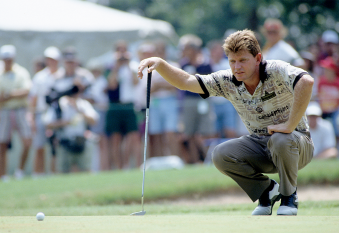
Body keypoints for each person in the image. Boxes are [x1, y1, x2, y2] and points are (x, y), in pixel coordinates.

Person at [138, 29, 315, 216]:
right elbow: (188, 81)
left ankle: (289, 197)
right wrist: (160, 64)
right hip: (261, 145)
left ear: (258, 58)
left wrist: (289, 125)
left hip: (296, 144)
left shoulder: (275, 69)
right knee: (221, 154)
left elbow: (307, 81)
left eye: (243, 60)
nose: (237, 66)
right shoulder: (227, 80)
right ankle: (267, 191)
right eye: (232, 61)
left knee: (280, 139)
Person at [0, 45, 33, 181]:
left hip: (20, 109)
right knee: (1, 143)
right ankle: (2, 175)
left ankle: (19, 171)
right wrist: (14, 94)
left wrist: (7, 94)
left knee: (27, 141)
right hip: (4, 111)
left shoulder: (21, 72)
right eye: (5, 59)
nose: (8, 61)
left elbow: (26, 91)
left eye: (9, 59)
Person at [178, 34, 215, 164]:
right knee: (190, 133)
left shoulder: (206, 63)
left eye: (185, 48)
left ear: (193, 49)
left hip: (203, 100)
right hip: (188, 100)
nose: (183, 51)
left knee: (204, 132)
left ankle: (209, 159)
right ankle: (195, 161)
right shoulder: (183, 64)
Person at [106, 40, 142, 169]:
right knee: (115, 138)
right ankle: (119, 167)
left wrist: (127, 64)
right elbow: (112, 84)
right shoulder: (110, 67)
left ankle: (136, 166)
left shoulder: (132, 66)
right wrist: (117, 66)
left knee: (133, 137)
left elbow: (136, 82)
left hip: (129, 105)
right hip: (115, 105)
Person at [29, 46, 64, 176]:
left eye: (53, 59)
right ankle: (38, 173)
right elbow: (33, 98)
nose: (51, 62)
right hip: (41, 112)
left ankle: (54, 172)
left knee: (56, 146)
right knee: (39, 146)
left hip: (58, 114)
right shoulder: (40, 77)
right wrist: (31, 117)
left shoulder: (63, 75)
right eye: (49, 59)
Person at [44, 93, 98, 173]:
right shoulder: (58, 104)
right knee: (63, 172)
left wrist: (78, 109)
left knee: (86, 170)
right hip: (64, 143)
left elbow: (94, 121)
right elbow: (47, 124)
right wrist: (64, 123)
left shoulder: (83, 104)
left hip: (81, 142)